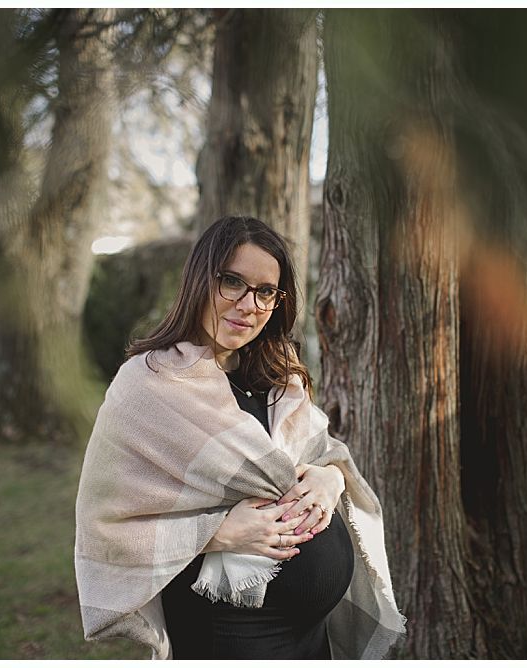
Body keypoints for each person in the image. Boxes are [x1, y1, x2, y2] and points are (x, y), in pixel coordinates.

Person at [74, 216, 405, 660]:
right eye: (232, 282)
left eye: (266, 291)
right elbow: (106, 525)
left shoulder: (277, 376)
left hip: (312, 638)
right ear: (199, 281)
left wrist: (332, 480)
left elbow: (324, 454)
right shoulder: (149, 383)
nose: (249, 304)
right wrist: (215, 534)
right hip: (229, 637)